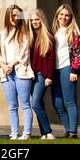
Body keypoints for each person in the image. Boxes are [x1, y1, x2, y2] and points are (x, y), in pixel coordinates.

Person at [0, 5, 34, 140]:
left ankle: (27, 133)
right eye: (13, 15)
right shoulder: (1, 33)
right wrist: (3, 65)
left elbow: (24, 54)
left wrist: (11, 65)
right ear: (8, 16)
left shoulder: (25, 33)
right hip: (6, 73)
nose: (16, 18)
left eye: (18, 15)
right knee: (12, 106)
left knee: (25, 104)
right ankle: (14, 133)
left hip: (21, 71)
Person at [51, 4, 80, 139]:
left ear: (70, 17)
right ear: (57, 16)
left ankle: (73, 132)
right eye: (61, 14)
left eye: (67, 15)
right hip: (54, 70)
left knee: (69, 102)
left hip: (67, 68)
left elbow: (78, 53)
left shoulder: (73, 32)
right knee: (57, 103)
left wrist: (74, 71)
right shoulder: (52, 32)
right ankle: (69, 129)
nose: (63, 17)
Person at [28, 8, 56, 140]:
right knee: (39, 104)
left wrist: (49, 76)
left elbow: (51, 58)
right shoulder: (30, 36)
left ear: (42, 20)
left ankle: (49, 131)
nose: (34, 22)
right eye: (32, 20)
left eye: (37, 19)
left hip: (42, 74)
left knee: (35, 103)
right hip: (31, 75)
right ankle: (43, 133)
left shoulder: (48, 35)